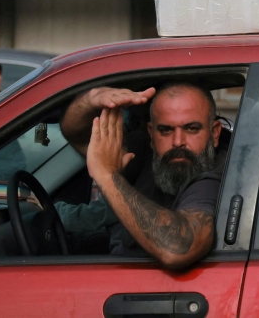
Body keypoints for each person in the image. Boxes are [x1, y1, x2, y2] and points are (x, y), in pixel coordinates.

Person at [60, 82, 223, 268]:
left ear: (215, 133)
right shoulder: (147, 155)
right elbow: (76, 133)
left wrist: (107, 175)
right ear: (151, 134)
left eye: (191, 129)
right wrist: (91, 99)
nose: (178, 142)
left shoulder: (215, 175)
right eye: (166, 130)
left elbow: (177, 249)